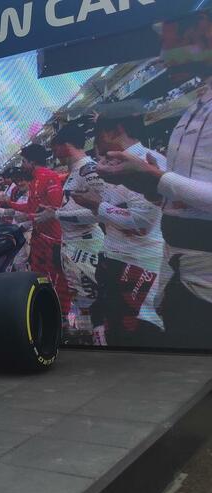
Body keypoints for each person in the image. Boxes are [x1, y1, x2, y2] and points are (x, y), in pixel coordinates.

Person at [98, 11, 212, 348]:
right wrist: (148, 185)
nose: (162, 57)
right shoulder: (196, 106)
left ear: (204, 28)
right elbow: (180, 203)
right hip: (186, 285)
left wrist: (158, 179)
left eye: (171, 43)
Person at [74, 107, 167, 346]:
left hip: (141, 266)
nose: (95, 143)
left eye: (98, 134)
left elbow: (141, 221)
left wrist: (97, 206)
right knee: (118, 334)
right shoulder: (110, 164)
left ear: (116, 130)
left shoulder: (145, 161)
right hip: (115, 260)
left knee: (140, 337)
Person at [0, 144, 72, 315]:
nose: (22, 165)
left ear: (32, 161)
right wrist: (8, 204)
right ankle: (46, 310)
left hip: (52, 239)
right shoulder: (34, 180)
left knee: (58, 278)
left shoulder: (49, 177)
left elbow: (53, 210)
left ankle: (63, 315)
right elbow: (31, 208)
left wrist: (24, 215)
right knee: (40, 276)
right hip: (39, 238)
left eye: (24, 161)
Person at [50, 123, 106, 330]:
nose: (54, 153)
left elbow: (100, 211)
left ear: (65, 145)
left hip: (87, 247)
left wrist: (56, 214)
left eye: (55, 147)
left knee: (92, 301)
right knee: (81, 300)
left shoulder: (88, 170)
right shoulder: (75, 171)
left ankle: (98, 341)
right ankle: (88, 336)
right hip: (72, 246)